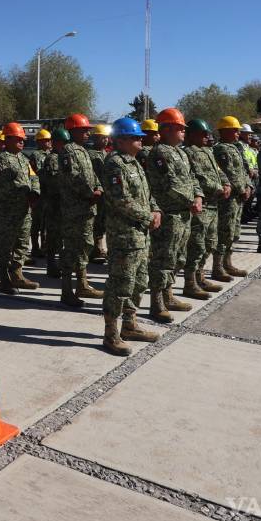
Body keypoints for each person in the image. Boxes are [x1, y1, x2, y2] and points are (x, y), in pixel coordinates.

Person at [100, 117, 162, 355]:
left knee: (139, 281)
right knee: (120, 284)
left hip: (140, 235)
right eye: (136, 138)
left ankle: (130, 325)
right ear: (122, 140)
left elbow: (146, 195)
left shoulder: (134, 163)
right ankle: (111, 334)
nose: (141, 142)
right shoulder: (115, 164)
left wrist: (155, 209)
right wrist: (148, 217)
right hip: (124, 235)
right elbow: (121, 199)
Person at [144, 107, 203, 314]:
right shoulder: (160, 153)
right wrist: (190, 201)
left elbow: (192, 177)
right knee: (164, 258)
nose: (183, 132)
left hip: (184, 213)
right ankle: (157, 302)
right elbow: (168, 184)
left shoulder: (180, 153)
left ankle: (169, 295)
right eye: (180, 128)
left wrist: (198, 196)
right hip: (169, 214)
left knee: (178, 257)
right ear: (167, 129)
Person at [58, 114, 104, 308]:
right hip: (74, 209)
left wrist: (99, 188)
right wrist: (90, 193)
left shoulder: (84, 151)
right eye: (84, 130)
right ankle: (67, 290)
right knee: (72, 249)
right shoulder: (68, 151)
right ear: (73, 130)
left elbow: (92, 175)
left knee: (85, 246)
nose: (88, 133)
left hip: (86, 208)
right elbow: (73, 177)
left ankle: (82, 284)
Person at [184, 119, 231, 295]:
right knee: (197, 245)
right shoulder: (189, 152)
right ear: (192, 135)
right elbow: (197, 176)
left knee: (210, 242)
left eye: (207, 134)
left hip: (213, 204)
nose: (207, 137)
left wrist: (226, 183)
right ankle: (190, 282)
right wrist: (219, 188)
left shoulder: (208, 151)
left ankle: (201, 276)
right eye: (203, 134)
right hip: (202, 205)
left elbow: (218, 171)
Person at [0, 122, 41, 294]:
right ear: (8, 140)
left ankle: (17, 275)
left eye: (23, 139)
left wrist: (35, 192)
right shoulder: (2, 159)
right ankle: (4, 279)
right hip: (9, 210)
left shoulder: (24, 159)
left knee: (22, 243)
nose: (22, 142)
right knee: (6, 245)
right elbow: (5, 182)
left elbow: (33, 177)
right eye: (18, 139)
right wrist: (25, 192)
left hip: (24, 210)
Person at [212, 116, 252, 280]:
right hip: (228, 199)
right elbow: (229, 172)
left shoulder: (235, 148)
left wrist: (248, 185)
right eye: (234, 130)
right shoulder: (221, 149)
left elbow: (243, 170)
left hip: (238, 197)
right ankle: (218, 266)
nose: (238, 133)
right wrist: (241, 188)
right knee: (225, 232)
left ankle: (228, 263)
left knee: (234, 232)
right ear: (225, 131)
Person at [40, 127, 69, 279]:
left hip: (63, 202)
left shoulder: (64, 157)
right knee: (53, 235)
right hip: (54, 202)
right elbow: (53, 181)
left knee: (62, 236)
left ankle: (59, 264)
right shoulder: (52, 159)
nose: (64, 145)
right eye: (61, 142)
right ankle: (51, 265)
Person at [88, 124, 112, 263]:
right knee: (96, 221)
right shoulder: (90, 154)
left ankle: (101, 248)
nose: (105, 141)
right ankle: (96, 248)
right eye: (102, 138)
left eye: (106, 138)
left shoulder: (106, 154)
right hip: (97, 192)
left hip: (107, 193)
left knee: (104, 221)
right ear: (95, 138)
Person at [28, 129, 53, 258]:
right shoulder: (36, 155)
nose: (49, 143)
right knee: (37, 222)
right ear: (40, 142)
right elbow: (35, 173)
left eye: (49, 140)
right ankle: (35, 247)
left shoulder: (52, 154)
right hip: (40, 193)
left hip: (49, 193)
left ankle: (45, 246)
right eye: (46, 140)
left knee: (46, 223)